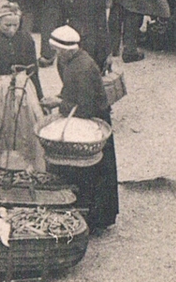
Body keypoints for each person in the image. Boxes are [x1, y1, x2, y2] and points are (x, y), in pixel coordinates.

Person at [41, 26, 119, 233]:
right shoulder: (70, 60)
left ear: (67, 50)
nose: (57, 53)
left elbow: (85, 108)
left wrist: (58, 103)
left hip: (92, 119)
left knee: (92, 171)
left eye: (58, 50)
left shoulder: (82, 68)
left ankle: (95, 217)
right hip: (83, 113)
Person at [0, 2, 45, 173]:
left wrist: (41, 99)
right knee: (0, 129)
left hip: (24, 88)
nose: (12, 29)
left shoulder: (27, 40)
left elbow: (33, 71)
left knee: (27, 128)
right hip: (0, 89)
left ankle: (25, 167)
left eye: (16, 25)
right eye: (7, 25)